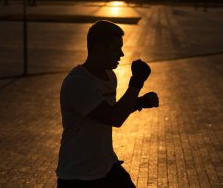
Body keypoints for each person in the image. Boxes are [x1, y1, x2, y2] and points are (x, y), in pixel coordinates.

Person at [56, 20, 159, 187]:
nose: (121, 54)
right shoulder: (78, 82)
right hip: (78, 175)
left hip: (106, 166)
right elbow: (114, 118)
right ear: (98, 48)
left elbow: (112, 110)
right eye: (116, 48)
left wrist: (139, 102)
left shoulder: (110, 76)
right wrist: (136, 83)